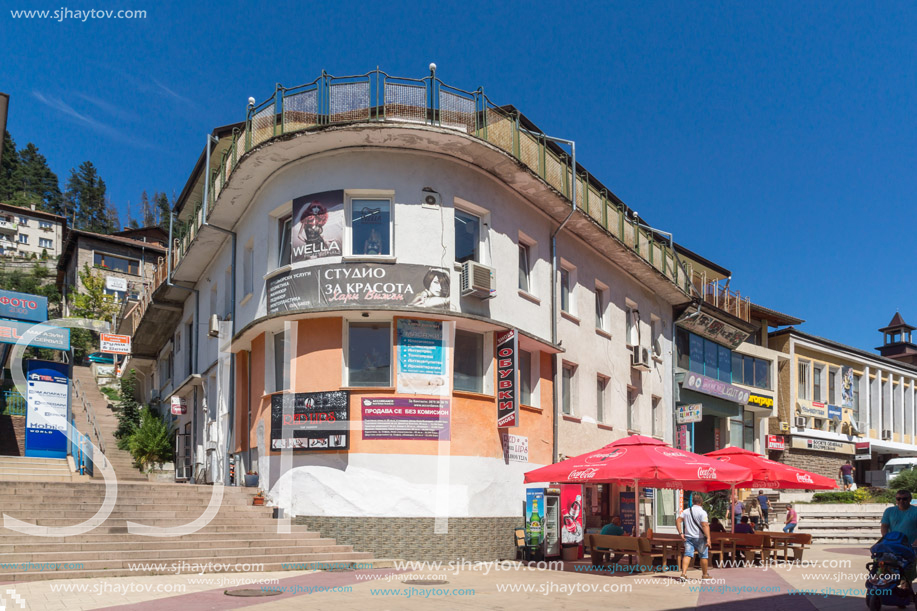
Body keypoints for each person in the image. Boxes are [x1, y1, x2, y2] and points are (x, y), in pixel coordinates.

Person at [676, 494, 712, 581]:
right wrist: (708, 538)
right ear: (701, 502)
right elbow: (704, 525)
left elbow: (678, 520)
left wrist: (681, 533)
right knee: (703, 556)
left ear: (693, 502)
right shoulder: (702, 512)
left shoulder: (686, 511)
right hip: (700, 537)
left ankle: (683, 574)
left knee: (687, 555)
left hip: (688, 537)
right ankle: (704, 575)